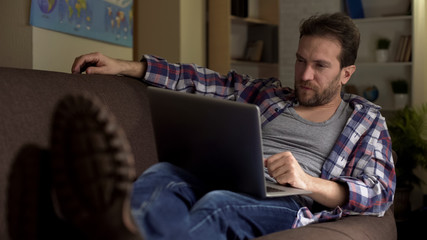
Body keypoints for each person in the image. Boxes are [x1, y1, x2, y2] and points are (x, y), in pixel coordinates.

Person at [8, 12, 395, 240]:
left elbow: (379, 193)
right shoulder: (268, 93)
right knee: (164, 176)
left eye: (320, 66)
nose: (304, 74)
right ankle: (121, 226)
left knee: (217, 206)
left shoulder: (364, 119)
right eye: (300, 60)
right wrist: (126, 67)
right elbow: (201, 79)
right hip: (225, 174)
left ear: (346, 73)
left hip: (286, 200)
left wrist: (306, 181)